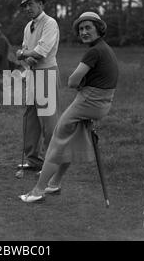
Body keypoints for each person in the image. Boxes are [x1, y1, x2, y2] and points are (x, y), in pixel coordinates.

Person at [19, 11, 119, 203]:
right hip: (101, 104)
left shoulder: (94, 51)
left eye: (88, 27)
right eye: (81, 29)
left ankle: (38, 190)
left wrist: (81, 85)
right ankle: (54, 184)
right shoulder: (105, 48)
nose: (83, 32)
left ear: (99, 28)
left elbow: (73, 81)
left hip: (88, 101)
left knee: (57, 142)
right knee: (70, 141)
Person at [15, 0, 61, 171]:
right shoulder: (28, 26)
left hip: (47, 72)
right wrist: (26, 55)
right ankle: (33, 159)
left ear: (40, 4)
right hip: (32, 73)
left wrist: (22, 54)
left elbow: (41, 52)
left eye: (31, 4)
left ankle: (51, 163)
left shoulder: (50, 23)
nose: (28, 8)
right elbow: (28, 52)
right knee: (30, 118)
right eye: (25, 5)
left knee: (49, 120)